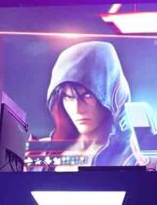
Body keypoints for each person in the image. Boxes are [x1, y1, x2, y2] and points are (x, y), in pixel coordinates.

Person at [30, 42, 143, 170]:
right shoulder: (42, 152)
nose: (77, 109)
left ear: (112, 94)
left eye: (87, 95)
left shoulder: (134, 158)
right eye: (68, 97)